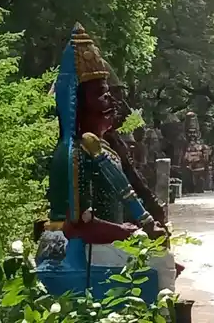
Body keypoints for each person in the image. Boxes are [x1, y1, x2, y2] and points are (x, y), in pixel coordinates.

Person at [38, 24, 177, 298]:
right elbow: (79, 224)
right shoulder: (74, 153)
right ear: (79, 104)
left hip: (97, 244)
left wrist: (142, 226)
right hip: (78, 249)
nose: (111, 101)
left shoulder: (102, 148)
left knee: (164, 254)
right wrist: (127, 232)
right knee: (162, 261)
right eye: (101, 95)